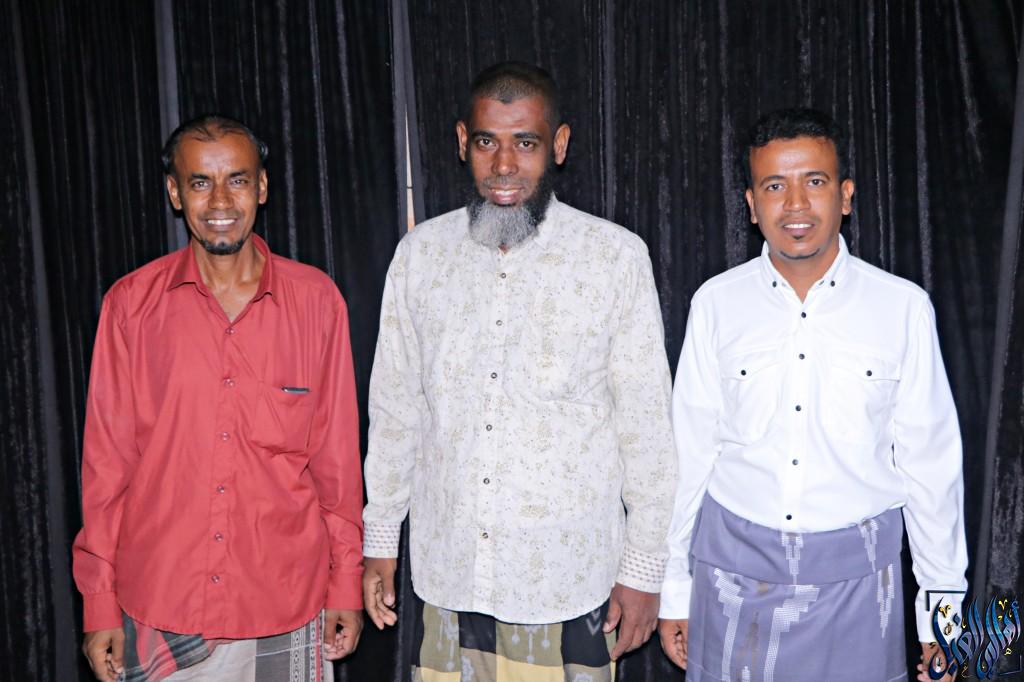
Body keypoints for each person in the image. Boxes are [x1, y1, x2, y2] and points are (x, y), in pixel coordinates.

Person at [361, 61, 677, 680]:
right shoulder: (420, 257)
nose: (504, 165)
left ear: (558, 145)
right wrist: (379, 540)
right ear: (462, 142)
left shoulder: (614, 258)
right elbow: (396, 411)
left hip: (570, 582)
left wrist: (643, 570)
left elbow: (646, 430)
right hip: (451, 577)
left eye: (525, 143)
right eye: (487, 142)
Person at [657, 107, 967, 681]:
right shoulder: (715, 304)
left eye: (815, 182)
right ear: (751, 205)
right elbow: (687, 458)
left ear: (845, 195)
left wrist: (943, 624)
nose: (795, 205)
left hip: (860, 590)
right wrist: (674, 590)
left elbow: (932, 471)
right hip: (730, 584)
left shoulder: (902, 308)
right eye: (775, 186)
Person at [72, 115, 364, 682]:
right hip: (160, 603)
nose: (221, 201)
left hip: (285, 601)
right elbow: (106, 468)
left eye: (237, 179)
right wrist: (99, 600)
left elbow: (337, 465)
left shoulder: (316, 302)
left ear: (262, 187)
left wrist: (345, 583)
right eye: (201, 182)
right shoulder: (130, 306)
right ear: (175, 192)